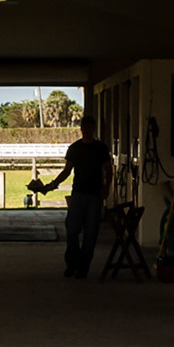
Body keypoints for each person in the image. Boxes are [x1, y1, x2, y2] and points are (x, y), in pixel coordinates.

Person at [41, 116, 113, 279]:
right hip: (78, 194)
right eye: (84, 128)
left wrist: (106, 188)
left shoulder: (101, 148)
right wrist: (53, 184)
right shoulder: (74, 149)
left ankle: (83, 267)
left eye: (89, 128)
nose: (87, 131)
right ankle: (72, 263)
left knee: (91, 233)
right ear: (81, 129)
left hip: (94, 195)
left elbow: (109, 170)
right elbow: (67, 171)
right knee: (72, 230)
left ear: (93, 129)